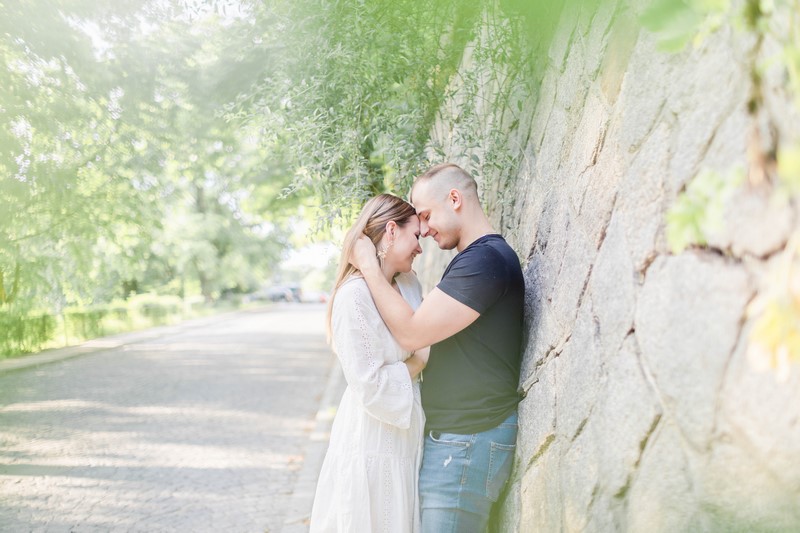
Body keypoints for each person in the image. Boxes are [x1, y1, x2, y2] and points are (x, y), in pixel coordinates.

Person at [351, 163, 524, 533]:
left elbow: (413, 335)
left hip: (468, 442)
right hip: (460, 442)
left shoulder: (484, 261)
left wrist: (368, 266)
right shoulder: (475, 260)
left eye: (427, 216)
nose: (425, 230)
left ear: (456, 199)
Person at [310, 193, 430, 533]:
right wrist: (417, 364)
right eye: (416, 237)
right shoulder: (353, 297)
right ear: (391, 231)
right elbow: (370, 386)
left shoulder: (409, 284)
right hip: (372, 440)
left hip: (408, 436)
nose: (420, 248)